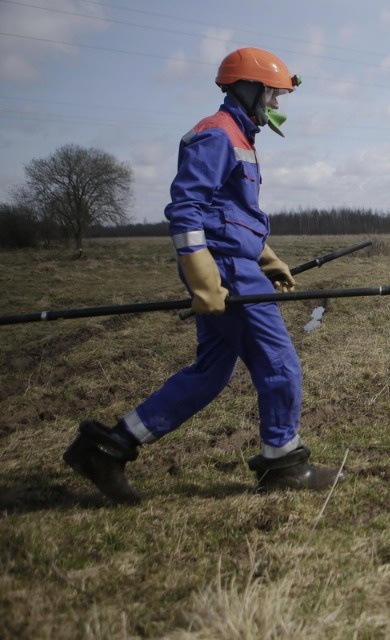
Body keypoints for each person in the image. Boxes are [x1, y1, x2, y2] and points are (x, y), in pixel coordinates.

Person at [62, 47, 343, 503]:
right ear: (249, 88)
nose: (275, 105)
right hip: (227, 270)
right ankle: (283, 463)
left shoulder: (237, 135)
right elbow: (187, 209)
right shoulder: (218, 134)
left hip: (236, 263)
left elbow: (228, 212)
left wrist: (266, 256)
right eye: (272, 94)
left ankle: (109, 447)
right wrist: (201, 273)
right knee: (279, 364)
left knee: (210, 373)